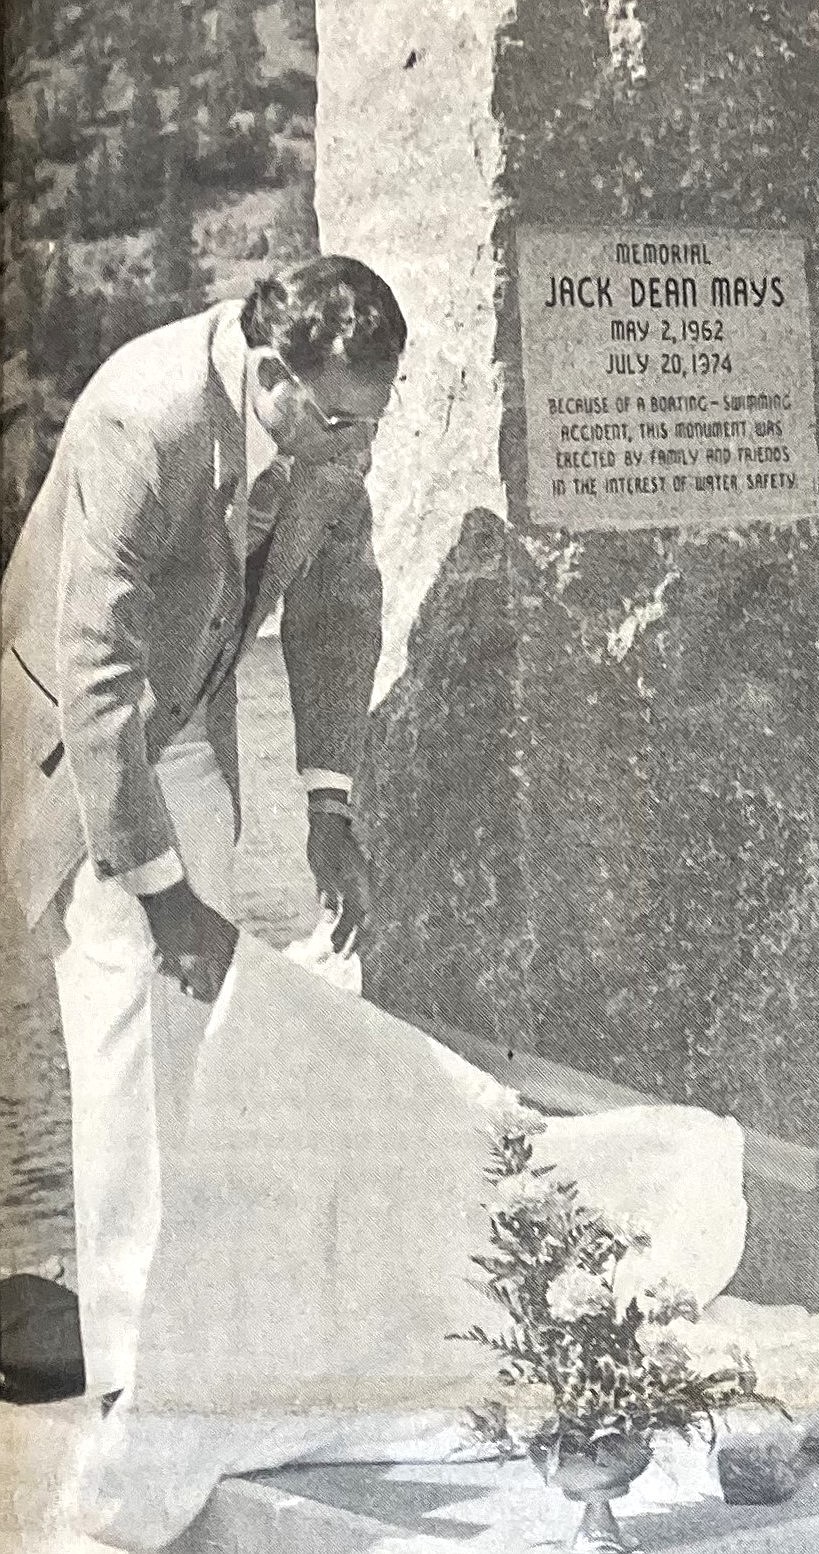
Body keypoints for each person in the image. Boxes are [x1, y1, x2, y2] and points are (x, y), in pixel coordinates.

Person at [0, 256, 407, 1400]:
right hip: (81, 729)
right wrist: (161, 890)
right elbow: (92, 675)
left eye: (374, 419)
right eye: (337, 420)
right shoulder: (147, 417)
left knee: (209, 1028)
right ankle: (142, 1379)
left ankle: (210, 1319)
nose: (355, 449)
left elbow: (337, 613)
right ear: (270, 376)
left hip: (185, 712)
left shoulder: (327, 436)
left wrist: (328, 805)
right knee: (131, 1015)